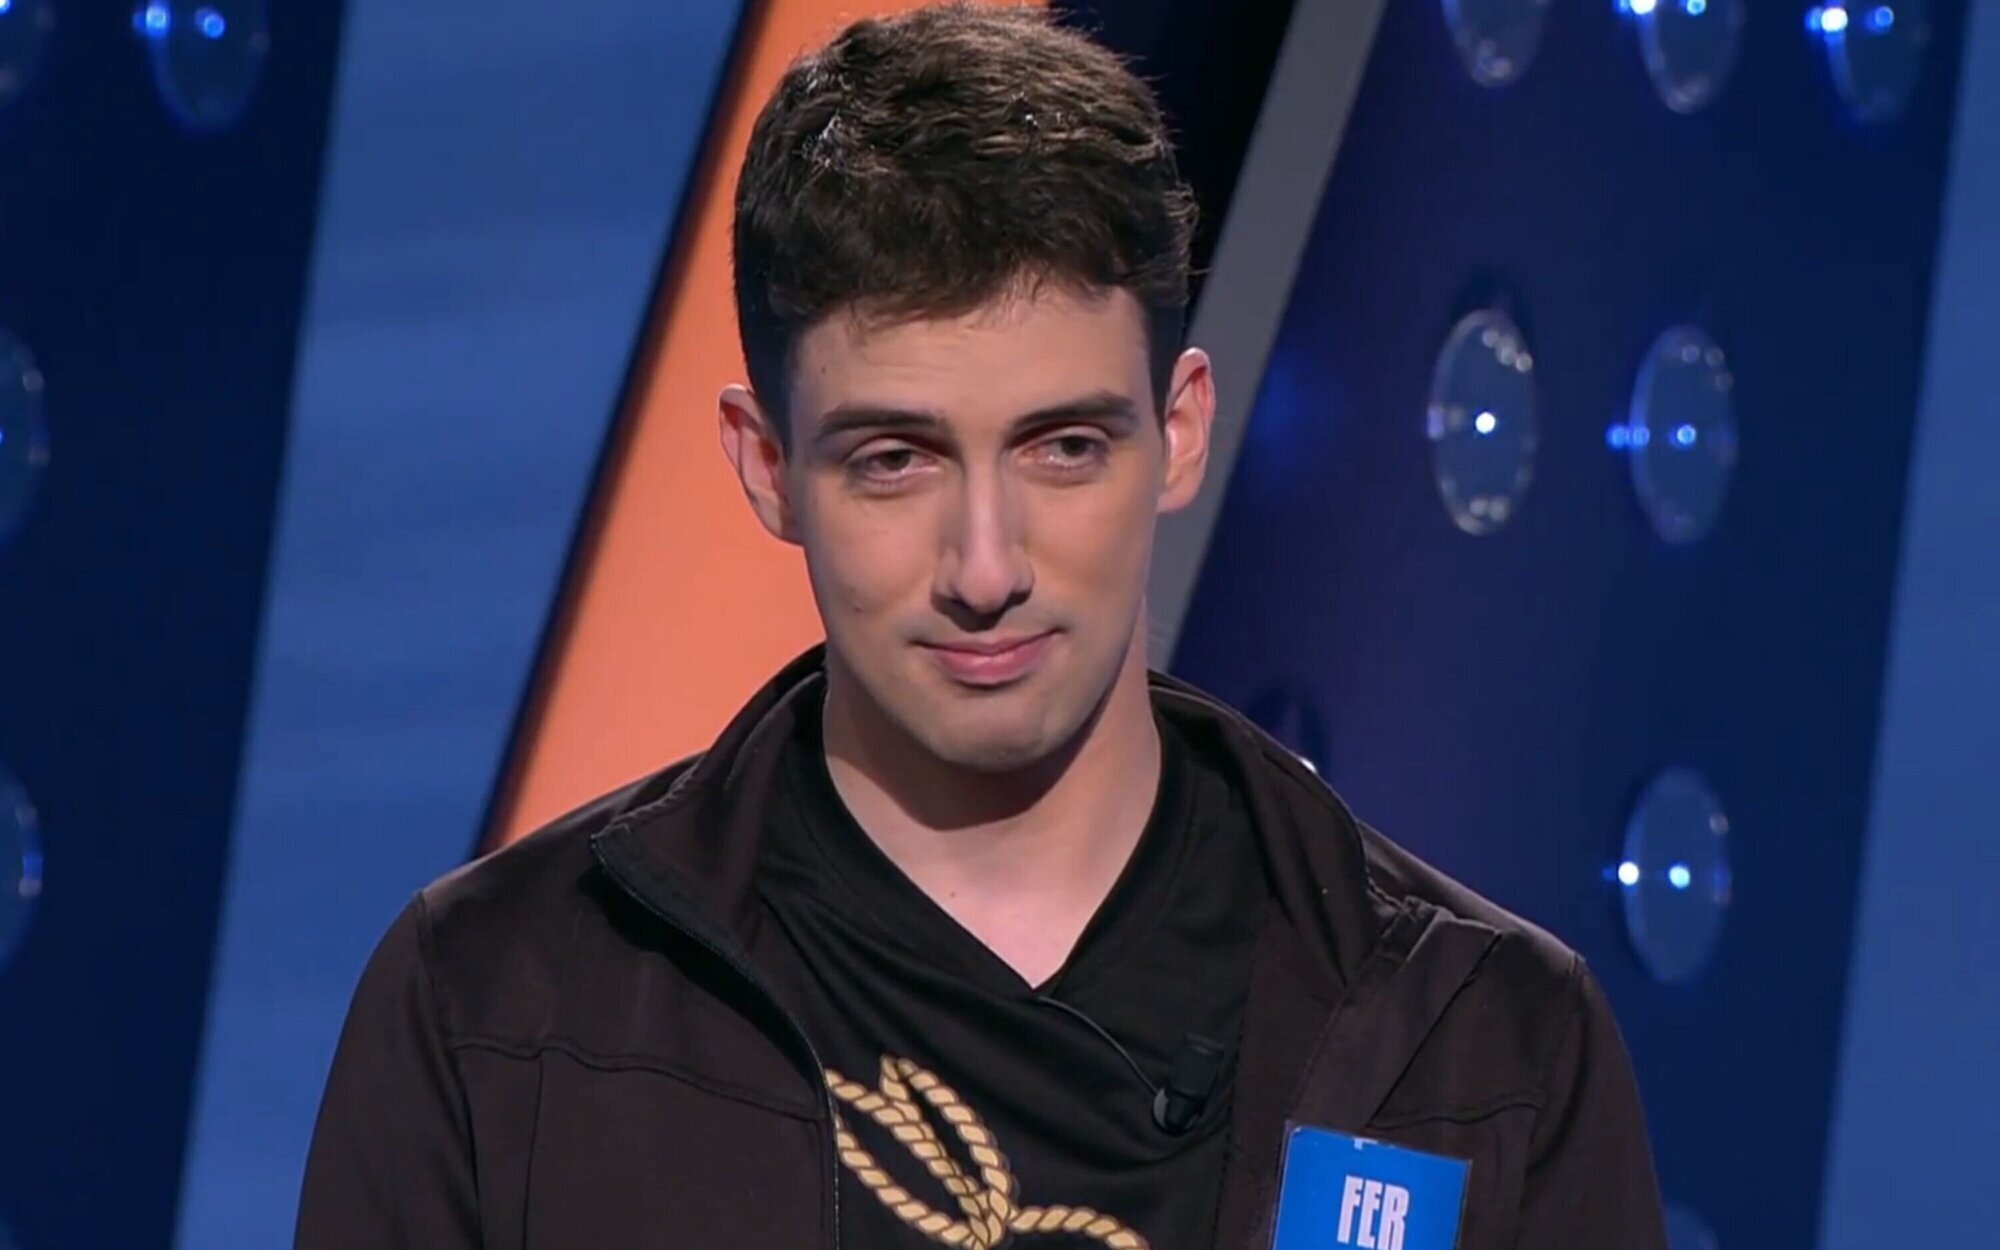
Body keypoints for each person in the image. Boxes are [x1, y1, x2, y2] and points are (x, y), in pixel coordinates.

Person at [294, 6, 1670, 1248]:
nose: (987, 565)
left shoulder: (1482, 1045)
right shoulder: (496, 1013)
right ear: (767, 466)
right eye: (895, 460)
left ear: (1182, 430)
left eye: (1064, 447)